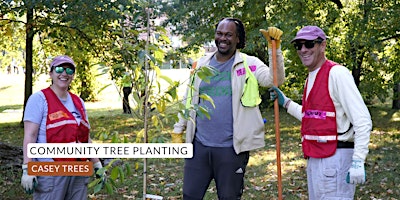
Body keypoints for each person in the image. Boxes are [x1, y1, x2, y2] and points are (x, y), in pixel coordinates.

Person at [171, 17, 285, 199]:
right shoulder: (201, 64)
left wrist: (275, 50)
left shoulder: (249, 63)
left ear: (238, 39)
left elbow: (274, 80)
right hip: (199, 146)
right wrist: (179, 129)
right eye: (219, 33)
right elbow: (189, 98)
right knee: (190, 195)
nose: (223, 38)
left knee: (229, 197)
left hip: (231, 149)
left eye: (228, 35)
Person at [269, 25, 372, 199]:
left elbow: (363, 121)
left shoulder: (337, 74)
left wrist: (358, 160)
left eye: (309, 44)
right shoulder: (311, 77)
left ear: (322, 46)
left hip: (336, 158)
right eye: (298, 45)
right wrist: (286, 103)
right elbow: (313, 118)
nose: (303, 50)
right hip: (316, 157)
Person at [21, 55, 104, 199]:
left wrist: (96, 163)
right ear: (51, 73)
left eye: (69, 70)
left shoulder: (78, 102)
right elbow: (30, 136)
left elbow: (85, 138)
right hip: (51, 173)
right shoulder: (39, 99)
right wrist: (27, 168)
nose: (64, 73)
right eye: (59, 69)